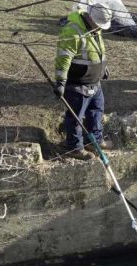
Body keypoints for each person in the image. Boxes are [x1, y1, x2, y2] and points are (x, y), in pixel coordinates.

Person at [54, 4, 113, 160]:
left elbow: (97, 50)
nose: (100, 28)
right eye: (98, 24)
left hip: (95, 82)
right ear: (89, 17)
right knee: (75, 118)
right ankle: (74, 147)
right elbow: (63, 58)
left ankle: (94, 140)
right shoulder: (73, 31)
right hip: (78, 83)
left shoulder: (94, 28)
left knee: (97, 111)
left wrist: (103, 68)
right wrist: (60, 81)